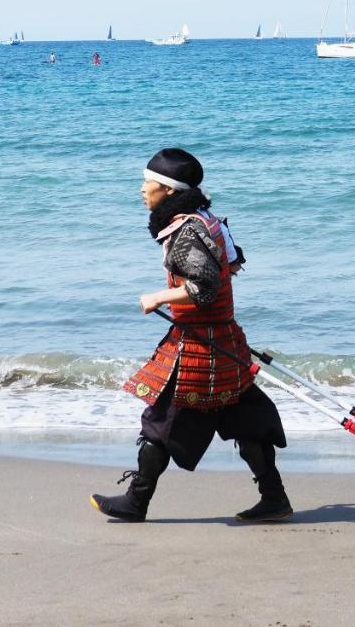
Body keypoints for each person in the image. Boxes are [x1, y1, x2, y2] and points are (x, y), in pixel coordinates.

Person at [90, 148, 290, 523]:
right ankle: (274, 497)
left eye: (147, 182)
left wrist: (157, 297)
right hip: (224, 338)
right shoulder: (207, 220)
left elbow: (207, 286)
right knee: (246, 417)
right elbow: (232, 264)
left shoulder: (185, 231)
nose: (141, 189)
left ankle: (136, 503)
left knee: (161, 422)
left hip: (200, 346)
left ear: (167, 190)